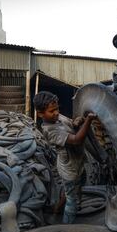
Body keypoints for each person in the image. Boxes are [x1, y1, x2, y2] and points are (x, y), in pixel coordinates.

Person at [33, 91, 96, 224]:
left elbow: (70, 125)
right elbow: (76, 140)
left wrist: (77, 122)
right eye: (52, 111)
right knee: (72, 201)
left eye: (57, 108)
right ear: (40, 113)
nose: (56, 112)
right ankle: (67, 227)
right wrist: (88, 121)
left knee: (74, 188)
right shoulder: (50, 130)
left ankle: (57, 208)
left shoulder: (56, 117)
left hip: (77, 162)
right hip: (69, 168)